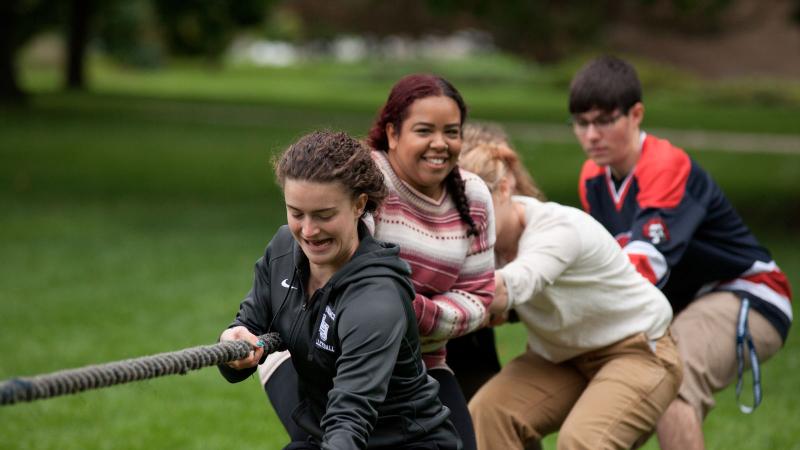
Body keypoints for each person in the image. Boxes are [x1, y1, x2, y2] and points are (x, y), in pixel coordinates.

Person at [259, 74, 497, 450]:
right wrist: (387, 311)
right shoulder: (363, 184)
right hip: (320, 357)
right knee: (338, 436)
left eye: (451, 131)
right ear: (392, 133)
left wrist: (405, 314)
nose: (439, 143)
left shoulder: (474, 196)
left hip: (418, 360)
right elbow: (332, 265)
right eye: (424, 130)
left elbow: (480, 297)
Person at [569, 56, 792, 450]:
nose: (591, 135)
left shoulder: (666, 165)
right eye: (581, 123)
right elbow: (607, 265)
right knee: (608, 394)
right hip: (678, 306)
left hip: (749, 292)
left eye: (604, 120)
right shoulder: (592, 178)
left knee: (670, 378)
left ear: (636, 114)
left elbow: (641, 269)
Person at [218, 130, 461, 450]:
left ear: (359, 205)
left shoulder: (376, 300)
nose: (308, 231)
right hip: (325, 433)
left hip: (401, 441)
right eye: (296, 212)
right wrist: (235, 341)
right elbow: (250, 323)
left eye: (324, 215)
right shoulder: (282, 251)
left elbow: (350, 417)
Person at [460, 138, 682, 450]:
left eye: (477, 206)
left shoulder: (558, 228)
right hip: (560, 357)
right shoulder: (479, 246)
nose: (469, 222)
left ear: (505, 188)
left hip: (638, 349)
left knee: (583, 441)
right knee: (488, 414)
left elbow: (509, 286)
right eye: (457, 210)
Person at [445, 122, 546, 401]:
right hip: (453, 344)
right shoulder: (459, 221)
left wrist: (504, 308)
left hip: (473, 344)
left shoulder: (528, 226)